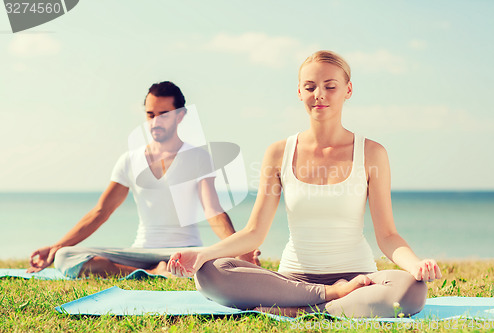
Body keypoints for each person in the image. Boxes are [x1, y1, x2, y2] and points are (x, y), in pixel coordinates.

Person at [166, 51, 443, 318]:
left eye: (330, 86)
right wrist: (203, 254)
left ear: (348, 90)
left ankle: (306, 309)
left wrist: (416, 265)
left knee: (411, 289)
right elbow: (253, 232)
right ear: (299, 92)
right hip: (293, 282)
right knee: (210, 272)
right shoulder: (278, 153)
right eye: (310, 87)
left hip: (359, 280)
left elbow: (388, 236)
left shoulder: (372, 153)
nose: (319, 94)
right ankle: (329, 297)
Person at [27, 81, 260, 278]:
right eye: (150, 115)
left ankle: (162, 269)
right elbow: (101, 212)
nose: (155, 122)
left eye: (163, 115)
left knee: (216, 264)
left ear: (181, 115)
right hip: (140, 250)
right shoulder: (130, 160)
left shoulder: (197, 158)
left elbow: (213, 211)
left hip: (185, 250)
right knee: (65, 256)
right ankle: (156, 272)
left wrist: (240, 247)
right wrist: (56, 247)